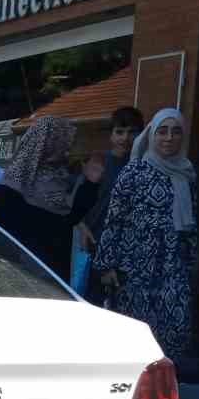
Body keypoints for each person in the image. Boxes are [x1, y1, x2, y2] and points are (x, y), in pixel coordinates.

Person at [91, 107, 198, 359]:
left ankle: (168, 384)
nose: (169, 138)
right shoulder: (134, 171)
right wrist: (106, 266)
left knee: (176, 327)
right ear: (151, 135)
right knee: (136, 334)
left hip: (172, 265)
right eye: (162, 132)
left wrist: (191, 262)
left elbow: (191, 223)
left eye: (175, 132)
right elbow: (114, 220)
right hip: (135, 266)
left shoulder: (186, 173)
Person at [0, 115, 104, 280]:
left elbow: (69, 219)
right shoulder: (11, 186)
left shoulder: (60, 179)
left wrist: (91, 184)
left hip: (54, 277)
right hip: (17, 279)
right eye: (63, 141)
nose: (68, 149)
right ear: (46, 143)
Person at [78, 105, 145, 302]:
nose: (125, 138)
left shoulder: (143, 166)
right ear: (111, 135)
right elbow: (74, 204)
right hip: (94, 244)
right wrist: (82, 227)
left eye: (132, 132)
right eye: (119, 132)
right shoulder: (99, 162)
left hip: (128, 251)